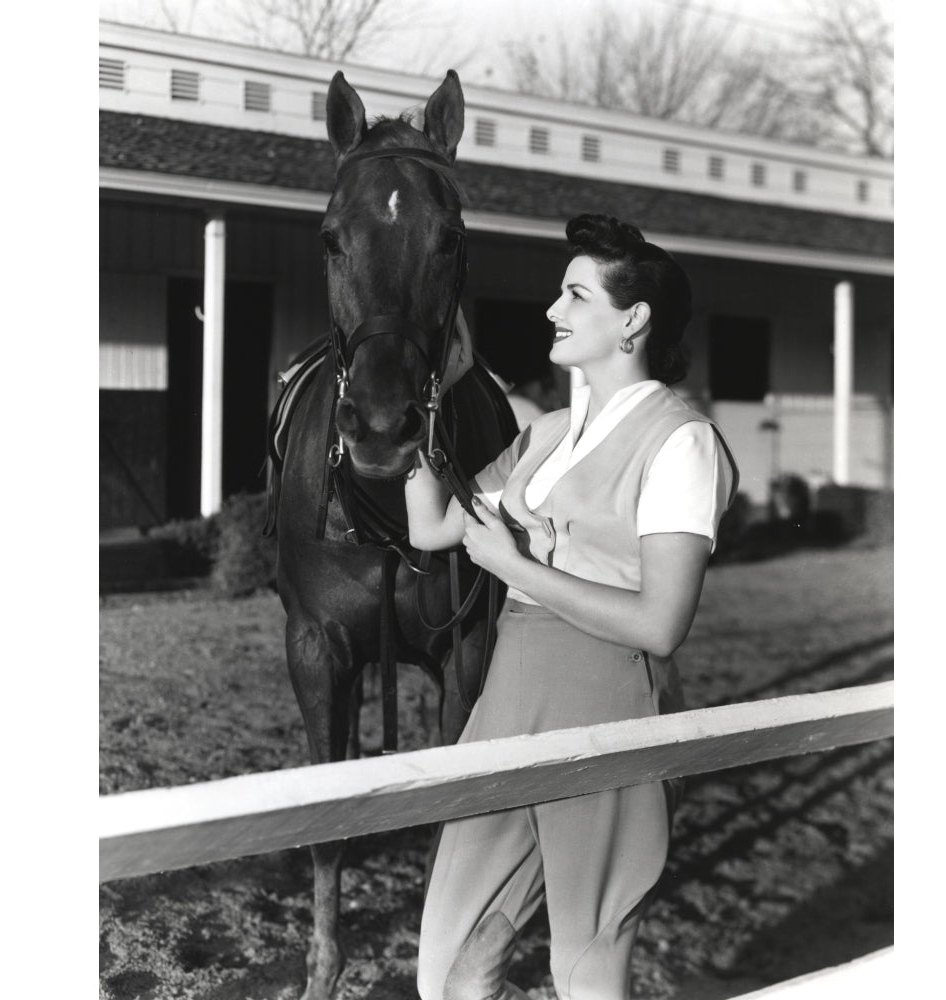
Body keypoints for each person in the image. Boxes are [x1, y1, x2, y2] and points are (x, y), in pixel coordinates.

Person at [405, 213, 738, 1000]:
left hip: (609, 701)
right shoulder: (547, 430)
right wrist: (414, 408)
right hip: (510, 696)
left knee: (585, 966)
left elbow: (660, 623)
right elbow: (434, 526)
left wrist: (517, 565)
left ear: (633, 321)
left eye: (575, 295)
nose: (553, 311)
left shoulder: (681, 440)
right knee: (453, 965)